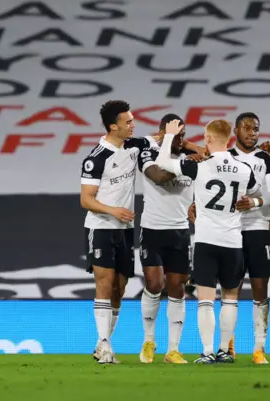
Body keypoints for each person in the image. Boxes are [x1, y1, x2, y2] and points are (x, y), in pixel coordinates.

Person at [156, 119, 260, 364]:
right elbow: (256, 194)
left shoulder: (200, 167)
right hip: (233, 241)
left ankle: (207, 351)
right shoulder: (245, 169)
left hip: (206, 241)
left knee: (205, 299)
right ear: (230, 139)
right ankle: (225, 350)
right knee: (230, 298)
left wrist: (170, 136)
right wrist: (251, 203)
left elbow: (162, 163)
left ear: (208, 139)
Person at [80, 100, 150, 364]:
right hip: (100, 227)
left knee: (120, 288)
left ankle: (101, 343)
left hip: (124, 228)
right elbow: (86, 199)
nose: (133, 125)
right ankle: (106, 345)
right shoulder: (96, 158)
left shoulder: (133, 146)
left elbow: (161, 138)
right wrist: (113, 211)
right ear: (113, 126)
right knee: (105, 284)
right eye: (128, 122)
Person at [137, 114, 199, 365]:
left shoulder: (189, 159)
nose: (180, 140)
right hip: (152, 229)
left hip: (180, 231)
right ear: (162, 133)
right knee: (154, 284)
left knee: (177, 288)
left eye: (183, 135)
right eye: (175, 134)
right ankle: (149, 340)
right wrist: (181, 157)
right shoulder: (148, 155)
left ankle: (173, 349)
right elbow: (159, 177)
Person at [227, 112, 270, 364]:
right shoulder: (224, 157)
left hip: (259, 228)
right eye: (246, 127)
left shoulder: (268, 157)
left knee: (261, 289)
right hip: (231, 230)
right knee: (231, 290)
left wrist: (255, 201)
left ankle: (259, 348)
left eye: (255, 128)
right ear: (235, 131)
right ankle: (228, 346)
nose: (251, 132)